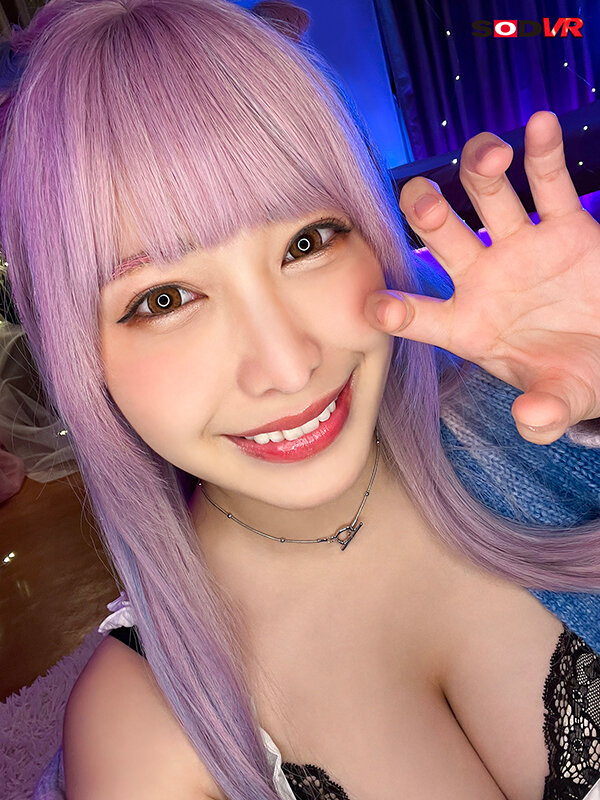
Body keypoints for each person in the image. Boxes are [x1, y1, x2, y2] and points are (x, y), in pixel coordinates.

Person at [2, 1, 600, 798]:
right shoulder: (140, 735)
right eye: (164, 299)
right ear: (77, 355)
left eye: (307, 242)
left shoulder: (540, 419)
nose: (287, 367)